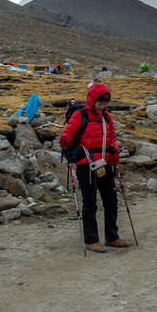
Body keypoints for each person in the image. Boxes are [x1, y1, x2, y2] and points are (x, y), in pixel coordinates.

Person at [59, 82, 126, 253]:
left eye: (105, 102)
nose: (103, 105)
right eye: (100, 102)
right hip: (86, 166)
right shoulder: (80, 115)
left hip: (105, 163)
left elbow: (112, 138)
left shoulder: (106, 117)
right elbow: (67, 134)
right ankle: (91, 240)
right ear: (92, 99)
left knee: (111, 201)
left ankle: (112, 237)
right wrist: (65, 142)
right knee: (90, 203)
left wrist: (115, 150)